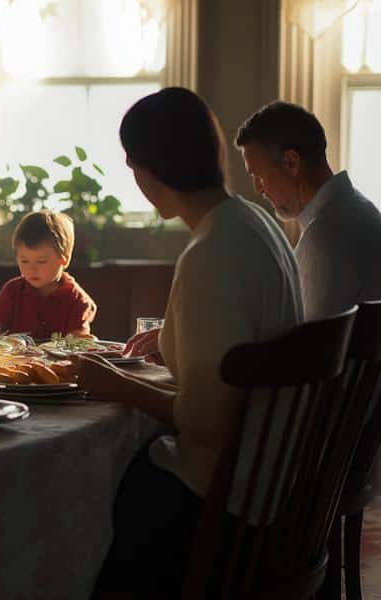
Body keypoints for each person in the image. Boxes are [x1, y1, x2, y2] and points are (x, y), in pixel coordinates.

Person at [84, 88, 302, 599]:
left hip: (225, 504)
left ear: (146, 170)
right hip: (274, 485)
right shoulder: (256, 222)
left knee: (105, 487)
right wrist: (174, 332)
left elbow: (209, 420)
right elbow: (246, 328)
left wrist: (110, 382)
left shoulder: (209, 253)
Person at [235, 100, 381, 321]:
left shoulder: (325, 237)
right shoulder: (360, 210)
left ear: (291, 163)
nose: (258, 189)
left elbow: (312, 349)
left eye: (259, 175)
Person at [0, 210, 96, 339]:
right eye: (24, 261)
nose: (32, 269)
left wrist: (83, 340)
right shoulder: (12, 291)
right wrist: (3, 340)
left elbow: (78, 340)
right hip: (14, 358)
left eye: (41, 261)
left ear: (64, 259)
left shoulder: (78, 300)